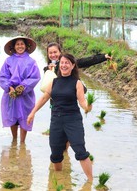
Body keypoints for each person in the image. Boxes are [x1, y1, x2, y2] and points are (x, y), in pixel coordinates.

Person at [27, 53, 93, 182]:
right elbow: (45, 97)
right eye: (62, 62)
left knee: (80, 151)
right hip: (56, 120)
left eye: (67, 63)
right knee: (56, 154)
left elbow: (82, 102)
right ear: (59, 65)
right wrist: (33, 112)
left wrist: (87, 107)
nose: (64, 65)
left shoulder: (77, 83)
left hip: (73, 120)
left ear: (73, 66)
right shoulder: (54, 81)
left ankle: (90, 182)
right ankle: (58, 181)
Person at [0, 36, 41, 143]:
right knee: (12, 116)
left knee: (25, 117)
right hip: (11, 94)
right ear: (13, 47)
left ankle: (22, 142)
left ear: (26, 46)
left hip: (25, 95)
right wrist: (9, 87)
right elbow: (2, 77)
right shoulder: (8, 61)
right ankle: (14, 139)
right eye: (17, 44)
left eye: (22, 44)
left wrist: (23, 87)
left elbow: (35, 77)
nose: (20, 46)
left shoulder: (31, 62)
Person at [44, 42, 112, 74]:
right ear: (47, 54)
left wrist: (103, 57)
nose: (53, 55)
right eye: (50, 53)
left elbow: (85, 61)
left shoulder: (67, 64)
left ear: (60, 52)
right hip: (54, 101)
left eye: (55, 52)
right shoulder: (47, 69)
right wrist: (49, 70)